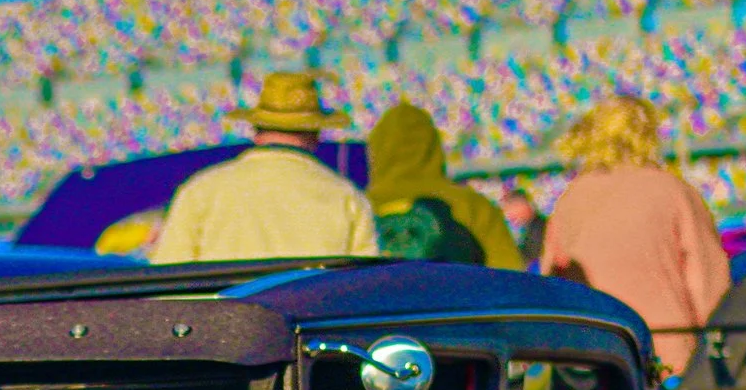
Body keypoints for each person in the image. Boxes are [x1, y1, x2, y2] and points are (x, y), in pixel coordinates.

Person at [540, 95, 730, 377]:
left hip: (594, 350)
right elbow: (707, 281)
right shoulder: (673, 191)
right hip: (667, 348)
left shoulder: (570, 198)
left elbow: (554, 280)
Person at [150, 72, 380, 263]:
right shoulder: (347, 197)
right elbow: (362, 286)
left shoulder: (201, 190)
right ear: (316, 133)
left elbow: (166, 280)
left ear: (255, 129)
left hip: (222, 315)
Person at [365, 101, 523, 269]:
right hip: (459, 293)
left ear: (375, 149)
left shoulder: (358, 207)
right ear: (434, 146)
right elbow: (508, 273)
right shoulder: (473, 205)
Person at [500, 187, 547, 265]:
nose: (508, 216)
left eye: (509, 209)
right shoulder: (531, 226)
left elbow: (531, 258)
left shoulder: (540, 228)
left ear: (521, 205)